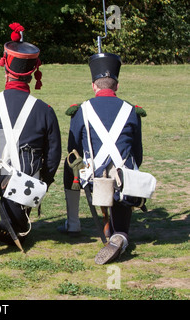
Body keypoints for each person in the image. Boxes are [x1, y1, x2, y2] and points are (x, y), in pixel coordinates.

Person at [0, 23, 62, 257]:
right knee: (19, 232)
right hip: (22, 178)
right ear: (33, 72)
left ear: (6, 67)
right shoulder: (45, 110)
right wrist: (43, 183)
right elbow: (53, 156)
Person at [60, 52, 146, 264]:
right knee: (123, 177)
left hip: (91, 178)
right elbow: (138, 154)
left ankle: (73, 223)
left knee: (68, 165)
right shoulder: (132, 111)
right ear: (116, 85)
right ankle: (119, 236)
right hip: (123, 181)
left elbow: (74, 151)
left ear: (93, 85)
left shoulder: (81, 110)